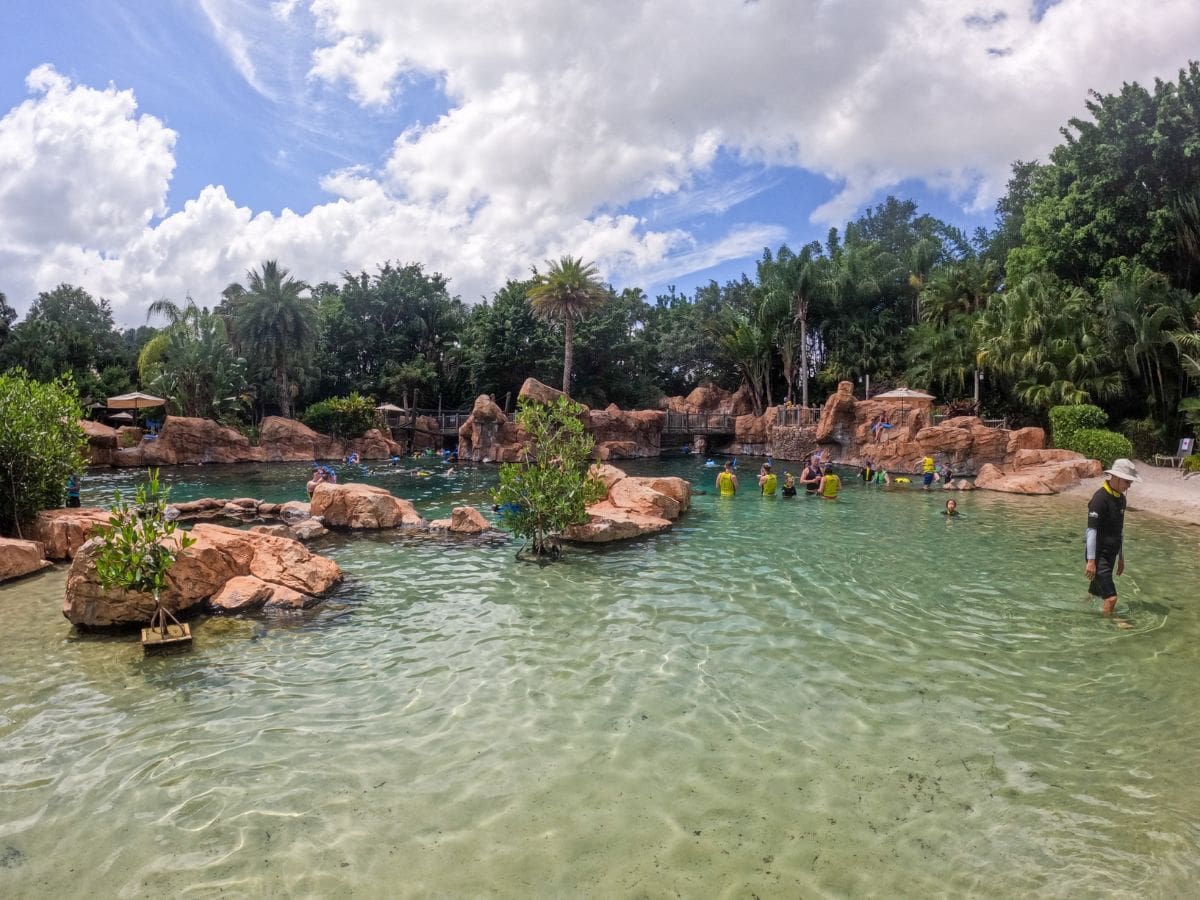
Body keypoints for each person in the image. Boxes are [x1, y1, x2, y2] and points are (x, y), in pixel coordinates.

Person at [1085, 458, 1140, 623]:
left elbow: (1119, 530)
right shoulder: (1099, 499)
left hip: (1111, 555)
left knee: (1094, 593)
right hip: (1098, 556)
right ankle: (1107, 626)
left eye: (1131, 482)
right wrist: (1091, 561)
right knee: (1111, 598)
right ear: (1115, 477)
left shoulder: (1122, 499)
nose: (1129, 486)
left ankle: (1082, 611)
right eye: (1127, 481)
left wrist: (1121, 557)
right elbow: (1091, 531)